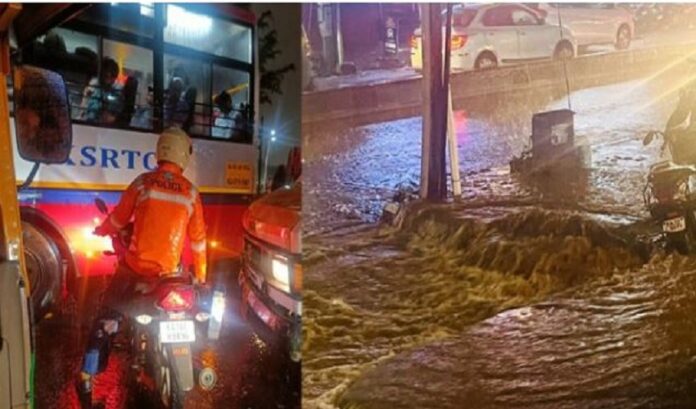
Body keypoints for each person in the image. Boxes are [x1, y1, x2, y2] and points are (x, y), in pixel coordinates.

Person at [76, 127, 207, 408]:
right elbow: (198, 242)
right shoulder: (192, 193)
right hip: (171, 274)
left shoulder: (143, 183)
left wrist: (102, 229)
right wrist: (202, 276)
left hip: (135, 270)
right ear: (183, 155)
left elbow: (119, 221)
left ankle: (87, 376)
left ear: (161, 152)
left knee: (107, 317)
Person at [80, 57, 122, 124]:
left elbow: (116, 114)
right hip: (88, 121)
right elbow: (84, 107)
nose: (109, 80)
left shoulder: (118, 90)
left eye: (112, 76)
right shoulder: (93, 84)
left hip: (106, 125)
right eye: (105, 76)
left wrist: (111, 118)